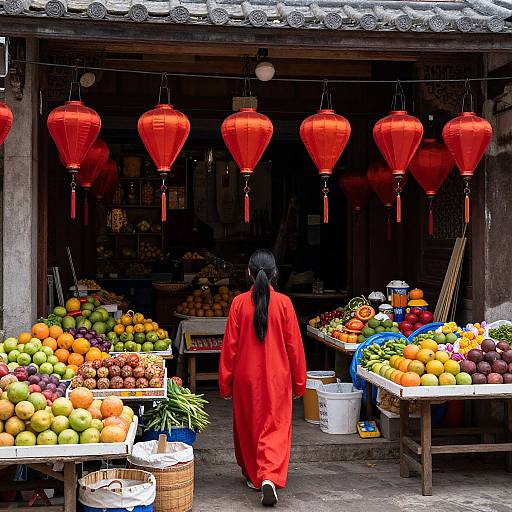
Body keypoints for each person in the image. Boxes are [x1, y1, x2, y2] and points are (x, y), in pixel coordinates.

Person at [219, 249, 307, 507]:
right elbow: (295, 347)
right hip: (278, 377)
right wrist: (300, 382)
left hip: (246, 378)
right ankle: (269, 476)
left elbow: (229, 348)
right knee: (275, 426)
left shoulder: (238, 303)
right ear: (275, 274)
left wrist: (225, 384)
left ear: (248, 273)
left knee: (249, 426)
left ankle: (254, 475)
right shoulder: (285, 304)